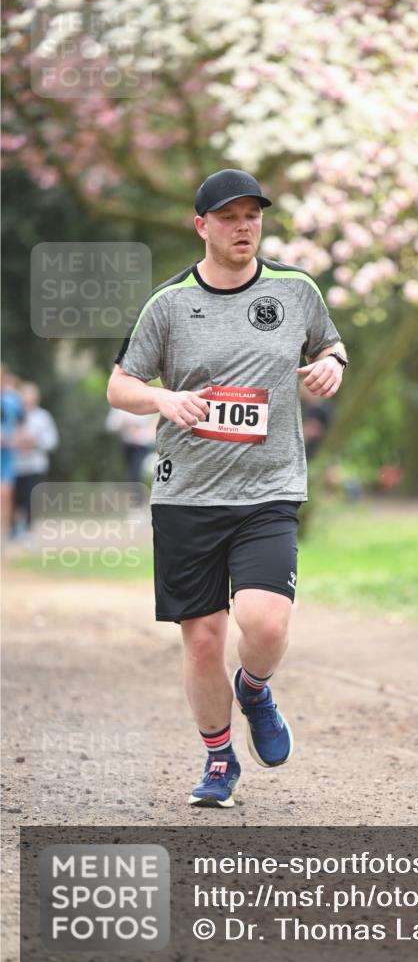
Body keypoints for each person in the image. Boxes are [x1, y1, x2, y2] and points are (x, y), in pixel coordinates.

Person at [107, 168, 347, 808]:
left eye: (253, 216)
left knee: (264, 623)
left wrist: (330, 365)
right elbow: (120, 386)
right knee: (204, 637)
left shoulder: (295, 290)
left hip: (268, 490)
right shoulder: (167, 304)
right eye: (230, 217)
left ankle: (257, 688)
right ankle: (219, 761)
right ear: (202, 226)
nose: (244, 227)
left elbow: (331, 345)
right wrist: (163, 397)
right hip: (187, 495)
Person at [12, 382, 59, 539]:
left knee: (32, 498)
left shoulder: (43, 417)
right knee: (17, 498)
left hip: (36, 466)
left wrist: (35, 442)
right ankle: (15, 528)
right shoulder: (13, 416)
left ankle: (28, 530)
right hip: (16, 465)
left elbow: (52, 441)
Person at [1, 365, 25, 541]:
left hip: (6, 455)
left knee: (6, 494)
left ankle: (4, 532)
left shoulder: (12, 401)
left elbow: (20, 424)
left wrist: (14, 438)